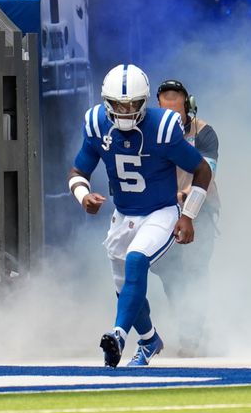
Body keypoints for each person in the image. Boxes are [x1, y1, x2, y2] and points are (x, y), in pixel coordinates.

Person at [68, 64, 212, 368]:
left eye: (132, 104)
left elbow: (203, 169)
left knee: (137, 260)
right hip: (123, 215)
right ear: (107, 102)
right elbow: (79, 170)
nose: (125, 110)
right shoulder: (96, 123)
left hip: (160, 212)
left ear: (144, 102)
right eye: (119, 104)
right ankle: (149, 340)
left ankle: (118, 336)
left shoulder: (163, 126)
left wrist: (188, 215)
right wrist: (83, 196)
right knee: (125, 289)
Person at [151, 79, 220, 356]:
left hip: (199, 209)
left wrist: (186, 194)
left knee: (194, 271)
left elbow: (208, 168)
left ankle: (192, 336)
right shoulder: (149, 132)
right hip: (164, 210)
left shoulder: (204, 132)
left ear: (187, 105)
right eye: (165, 109)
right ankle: (189, 324)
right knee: (169, 274)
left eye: (176, 108)